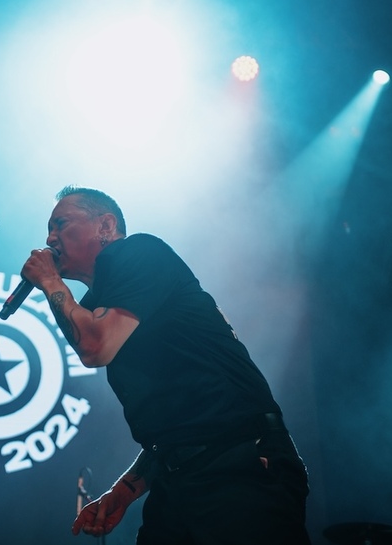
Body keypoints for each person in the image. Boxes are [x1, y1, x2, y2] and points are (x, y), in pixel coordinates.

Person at [20, 185, 311, 545]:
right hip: (180, 478)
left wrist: (50, 281)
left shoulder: (140, 252)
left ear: (106, 226)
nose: (50, 238)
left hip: (241, 464)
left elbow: (95, 348)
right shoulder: (97, 305)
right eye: (49, 229)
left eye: (61, 224)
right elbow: (178, 420)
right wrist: (124, 491)